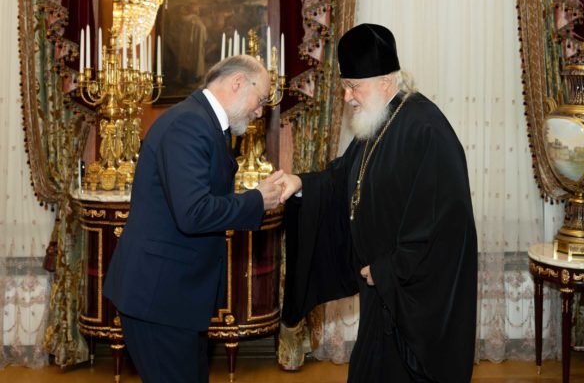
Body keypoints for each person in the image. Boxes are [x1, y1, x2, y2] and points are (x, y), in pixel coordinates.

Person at [276, 24, 477, 382]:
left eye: (354, 86)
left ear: (385, 81)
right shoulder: (379, 120)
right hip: (379, 293)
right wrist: (301, 183)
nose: (348, 97)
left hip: (406, 300)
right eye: (345, 87)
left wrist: (390, 268)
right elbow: (343, 177)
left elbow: (445, 222)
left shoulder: (426, 129)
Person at [103, 55, 283, 383]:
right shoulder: (189, 123)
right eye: (260, 100)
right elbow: (193, 213)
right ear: (238, 83)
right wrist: (257, 200)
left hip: (174, 298)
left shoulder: (204, 121)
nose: (260, 112)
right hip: (158, 299)